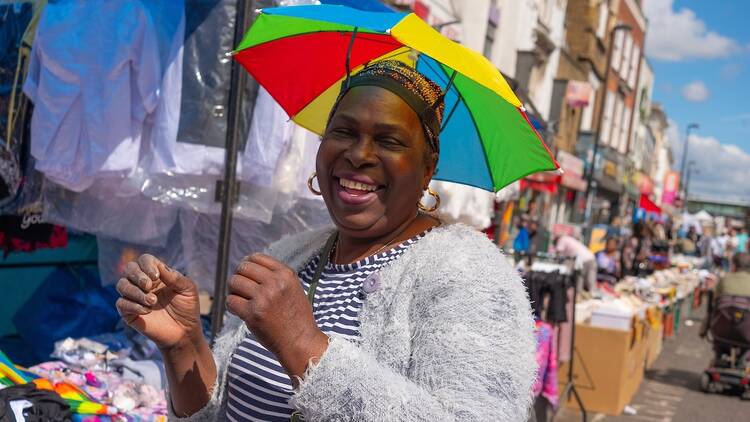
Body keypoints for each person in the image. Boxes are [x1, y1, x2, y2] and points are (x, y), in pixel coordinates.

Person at [114, 61, 537, 421]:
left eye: (389, 140)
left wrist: (304, 346)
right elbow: (225, 409)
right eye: (343, 132)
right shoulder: (291, 255)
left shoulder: (470, 274)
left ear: (428, 168)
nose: (358, 154)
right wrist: (185, 343)